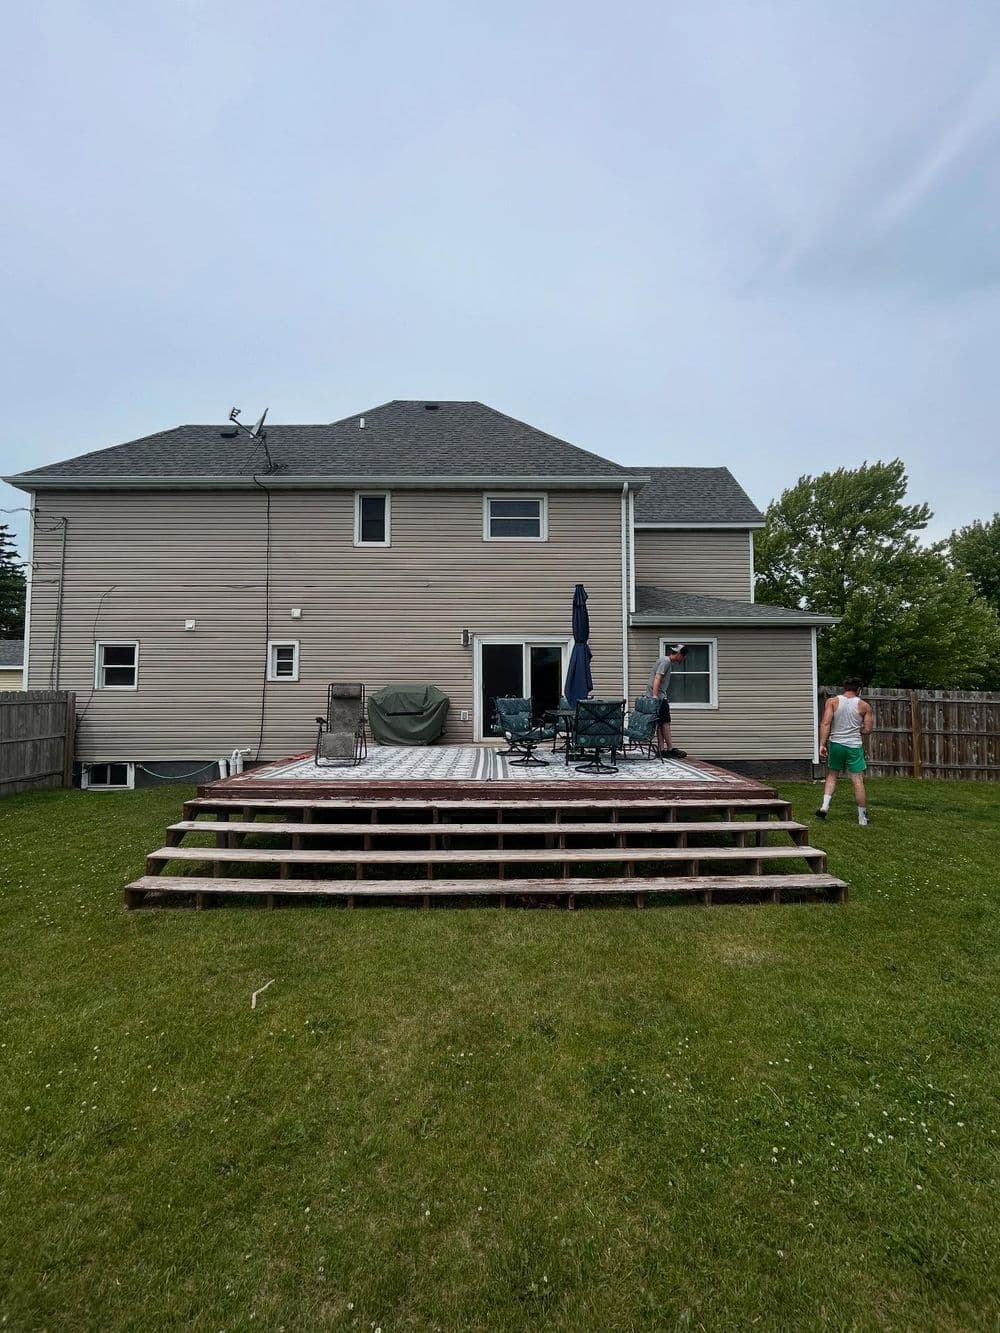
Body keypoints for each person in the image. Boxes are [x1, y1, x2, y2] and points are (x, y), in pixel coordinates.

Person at [816, 677, 874, 825]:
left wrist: (822, 744)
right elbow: (868, 729)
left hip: (836, 744)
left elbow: (826, 723)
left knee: (832, 776)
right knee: (857, 780)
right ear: (859, 689)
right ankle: (862, 818)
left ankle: (824, 807)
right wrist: (857, 730)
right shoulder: (864, 706)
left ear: (844, 688)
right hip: (854, 745)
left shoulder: (832, 702)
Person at [646, 644, 688, 758]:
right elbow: (657, 678)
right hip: (659, 697)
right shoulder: (666, 662)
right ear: (679, 654)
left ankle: (661, 750)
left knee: (660, 723)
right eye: (683, 657)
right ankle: (670, 749)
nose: (683, 659)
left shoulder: (663, 660)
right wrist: (655, 696)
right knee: (665, 723)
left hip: (657, 696)